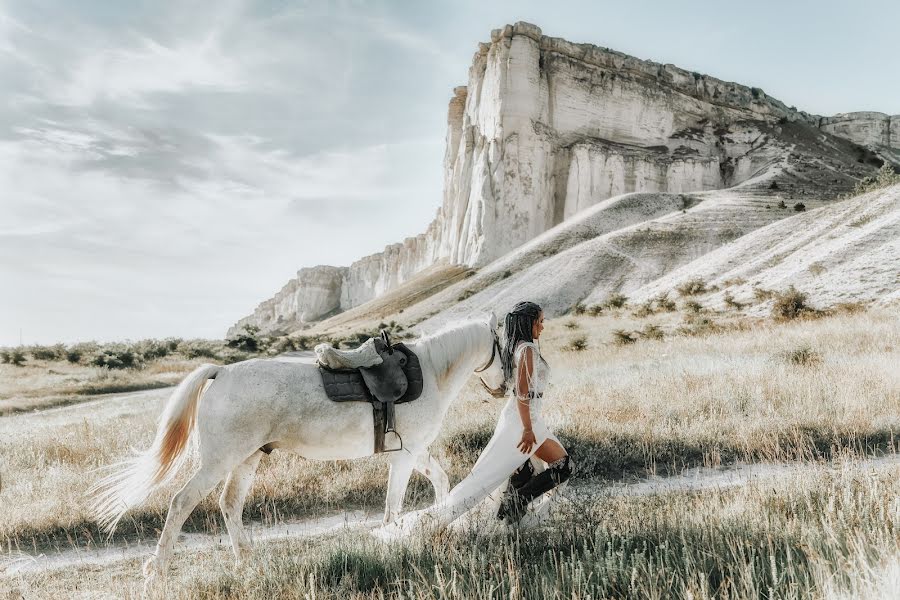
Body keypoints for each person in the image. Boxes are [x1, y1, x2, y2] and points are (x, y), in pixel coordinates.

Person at [373, 301, 572, 539]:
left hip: (524, 416)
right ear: (528, 322)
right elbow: (522, 392)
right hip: (524, 420)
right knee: (563, 465)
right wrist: (528, 429)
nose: (542, 326)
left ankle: (511, 519)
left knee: (524, 470)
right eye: (540, 321)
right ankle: (512, 507)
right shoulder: (527, 349)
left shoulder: (516, 347)